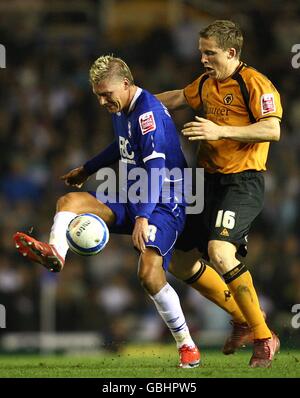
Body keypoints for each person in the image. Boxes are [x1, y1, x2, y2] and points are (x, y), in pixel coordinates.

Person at [13, 55, 200, 369]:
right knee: (69, 203)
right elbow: (120, 145)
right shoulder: (122, 109)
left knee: (149, 276)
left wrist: (142, 218)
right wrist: (87, 169)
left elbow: (155, 169)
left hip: (166, 202)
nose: (102, 101)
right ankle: (56, 253)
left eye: (106, 94)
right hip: (135, 195)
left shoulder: (148, 114)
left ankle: (187, 346)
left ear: (126, 84)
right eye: (97, 95)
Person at [156, 20, 282, 368]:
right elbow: (180, 97)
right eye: (201, 52)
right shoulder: (207, 83)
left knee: (220, 251)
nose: (203, 58)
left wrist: (219, 129)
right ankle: (241, 317)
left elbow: (272, 129)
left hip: (242, 182)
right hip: (207, 182)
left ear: (231, 52)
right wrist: (137, 103)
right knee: (179, 261)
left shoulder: (255, 83)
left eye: (209, 53)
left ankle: (263, 337)